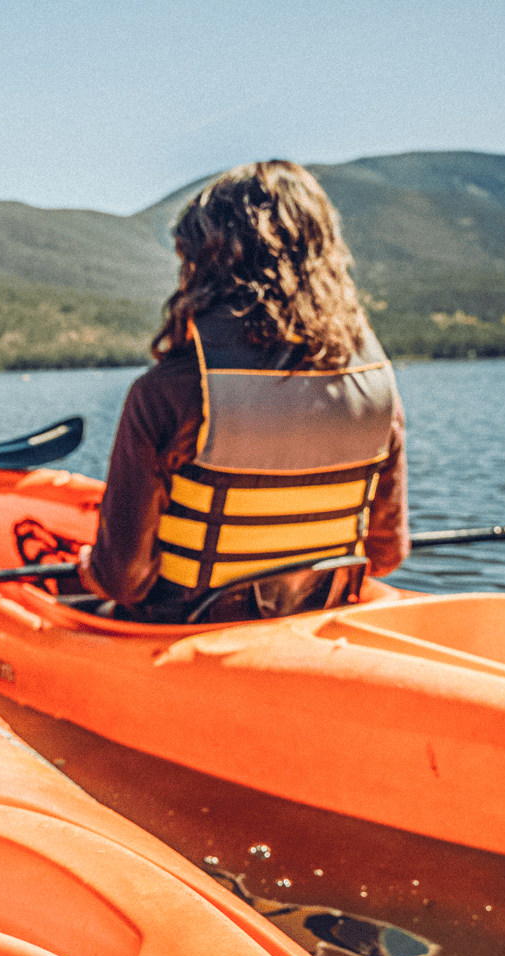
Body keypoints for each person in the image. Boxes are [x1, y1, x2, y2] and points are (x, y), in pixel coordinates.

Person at [77, 161, 408, 622]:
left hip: (185, 630)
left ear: (205, 267)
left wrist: (86, 569)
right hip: (315, 614)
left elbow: (124, 580)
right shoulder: (376, 391)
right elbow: (386, 556)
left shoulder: (164, 394)